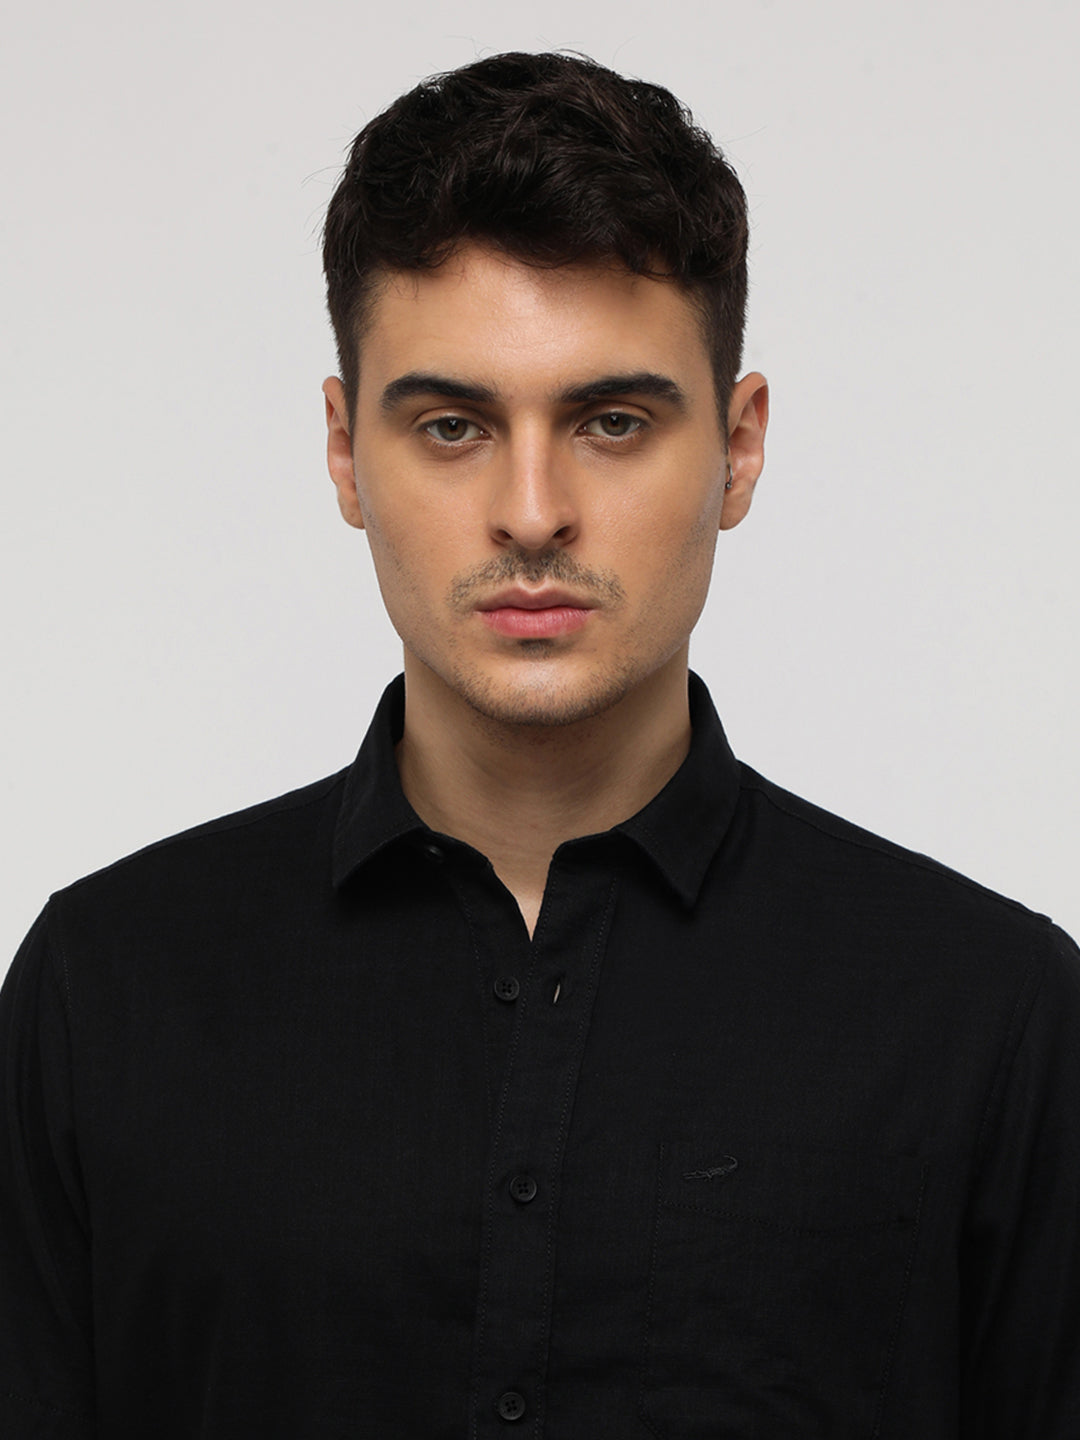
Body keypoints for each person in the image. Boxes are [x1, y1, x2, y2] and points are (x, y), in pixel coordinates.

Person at [1, 49, 1077, 1440]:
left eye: (611, 421)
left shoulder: (993, 1021)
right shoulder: (103, 994)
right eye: (452, 425)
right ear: (344, 451)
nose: (530, 510)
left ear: (740, 447)